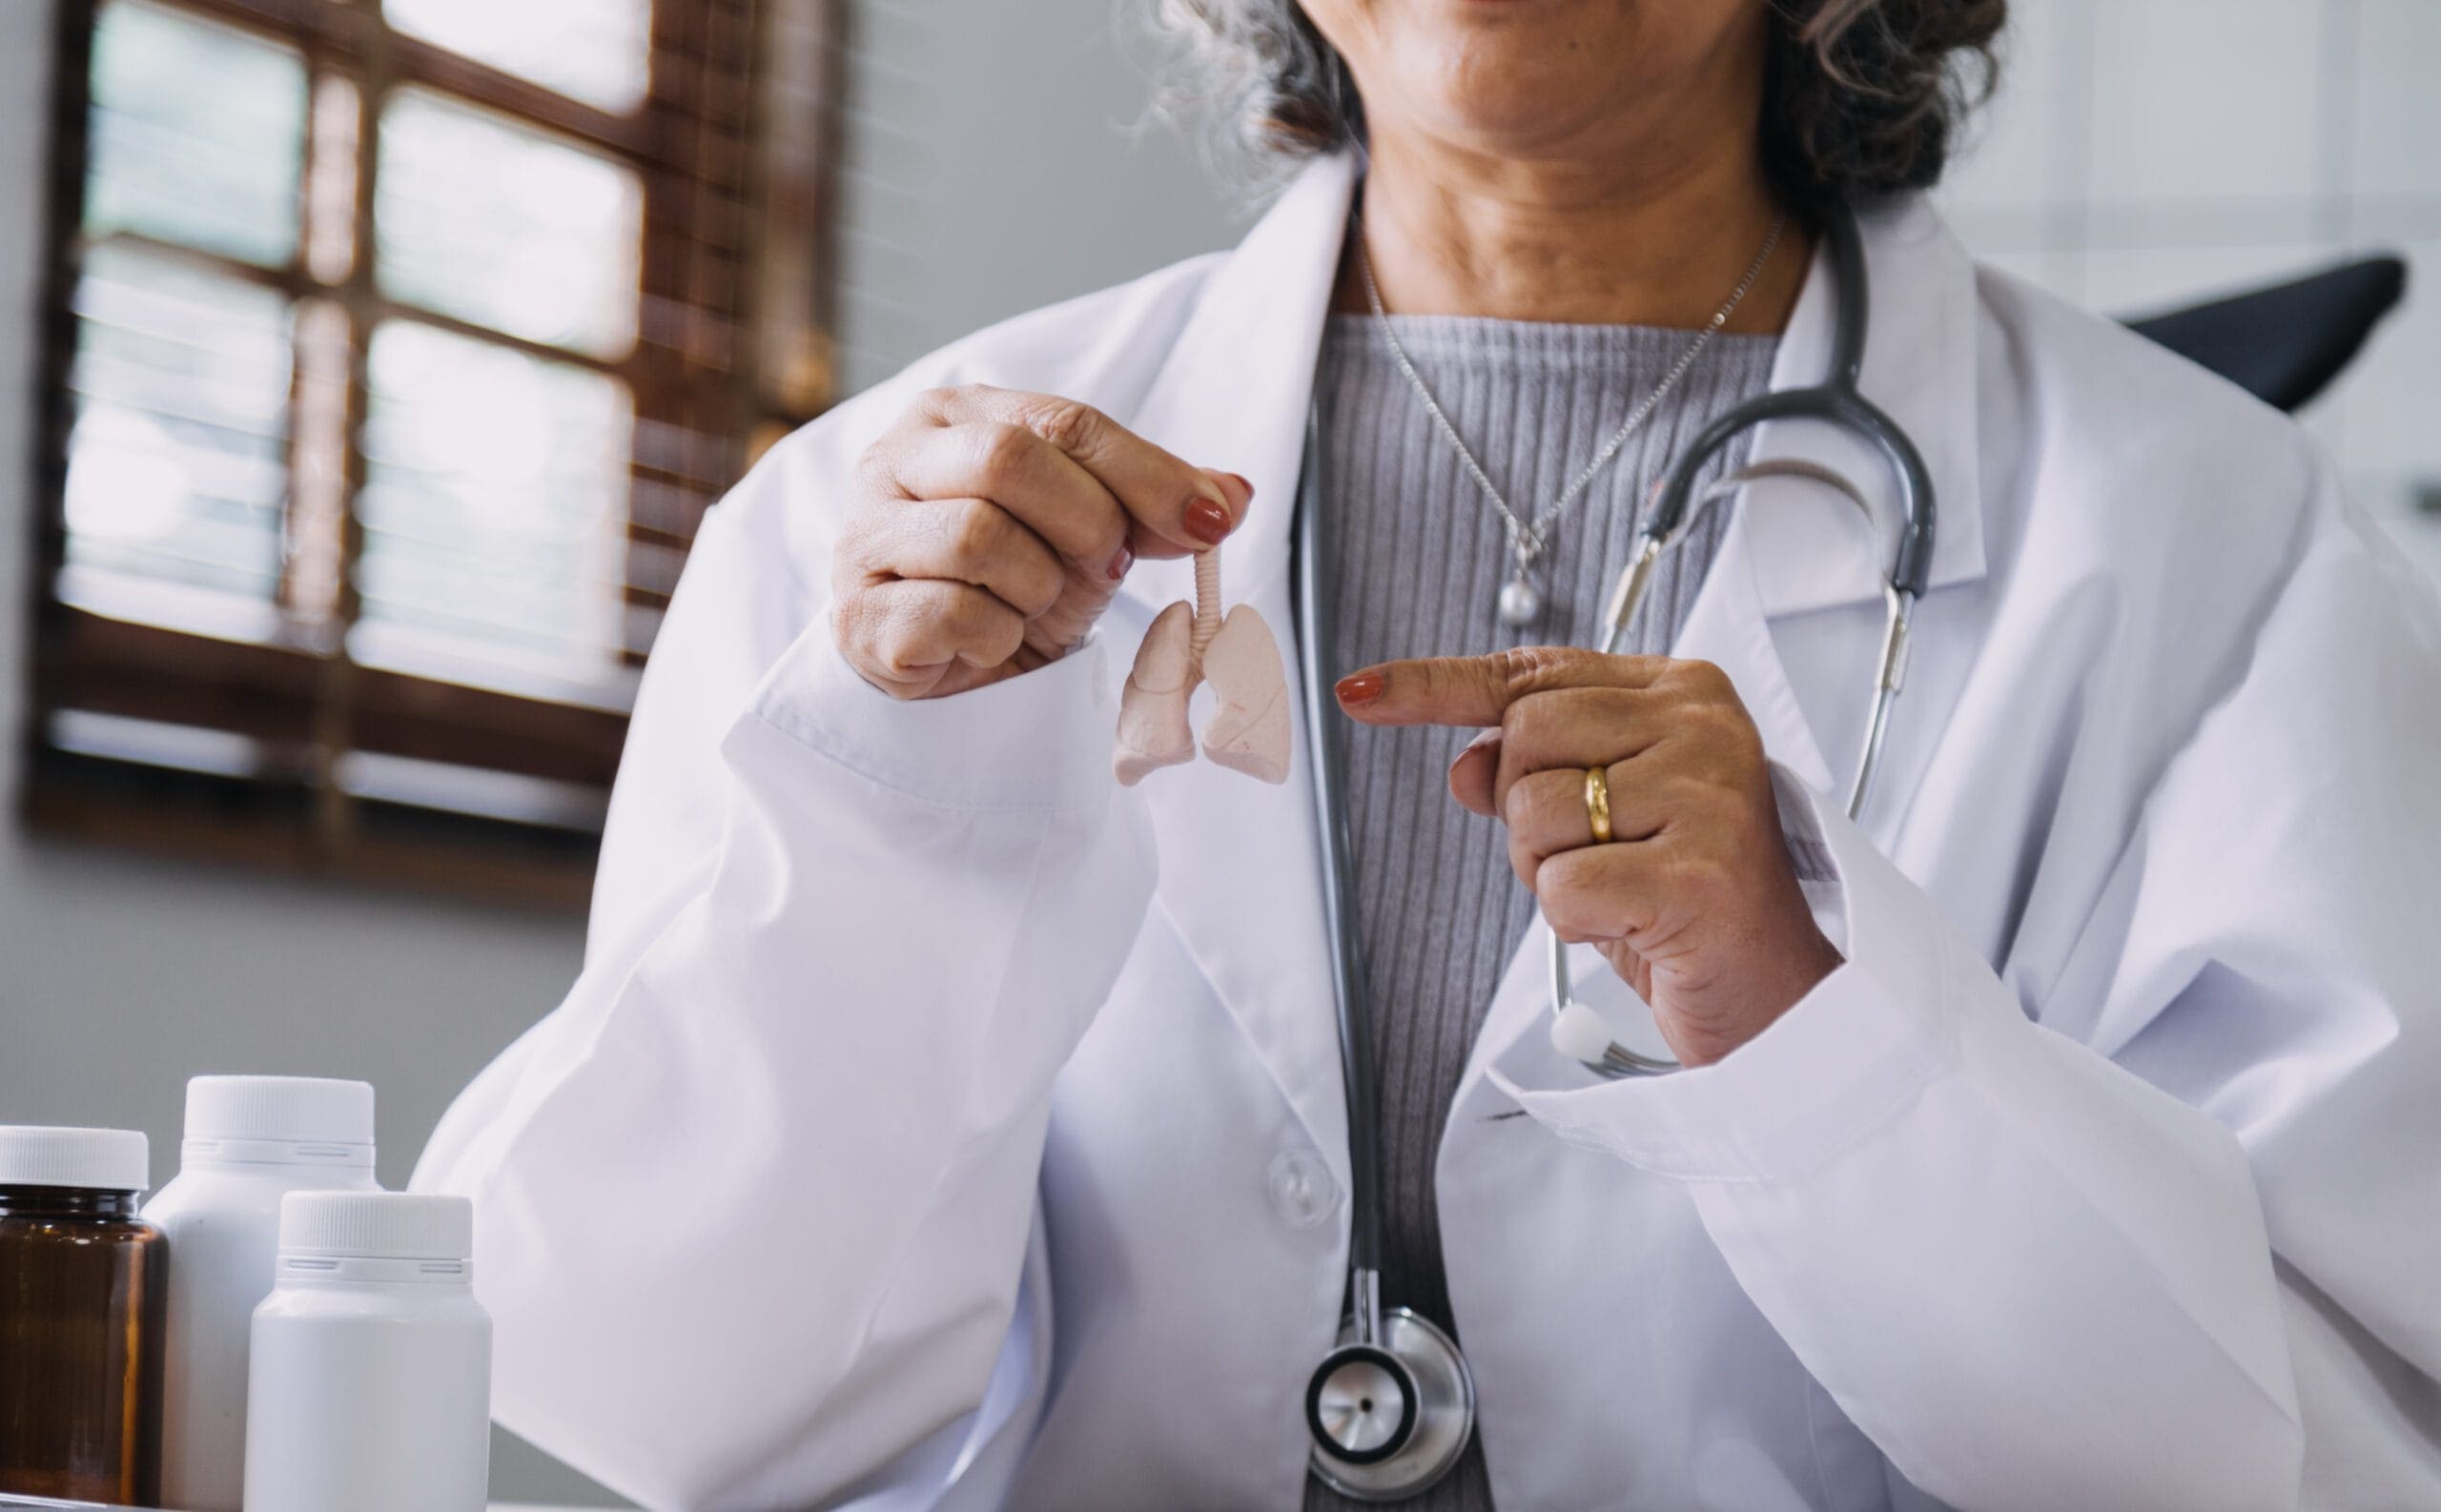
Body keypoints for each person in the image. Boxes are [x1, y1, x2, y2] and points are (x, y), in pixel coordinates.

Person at [414, 1, 2441, 1507]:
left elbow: (2334, 1452)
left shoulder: (2227, 548)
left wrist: (1820, 1033)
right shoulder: (879, 508)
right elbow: (658, 1390)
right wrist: (899, 809)